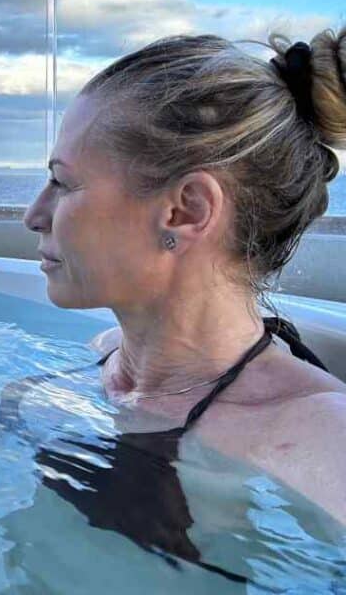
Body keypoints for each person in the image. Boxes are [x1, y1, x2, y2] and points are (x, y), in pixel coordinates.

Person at [18, 27, 346, 540]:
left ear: (186, 210)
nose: (34, 215)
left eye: (63, 182)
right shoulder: (103, 359)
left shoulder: (323, 443)